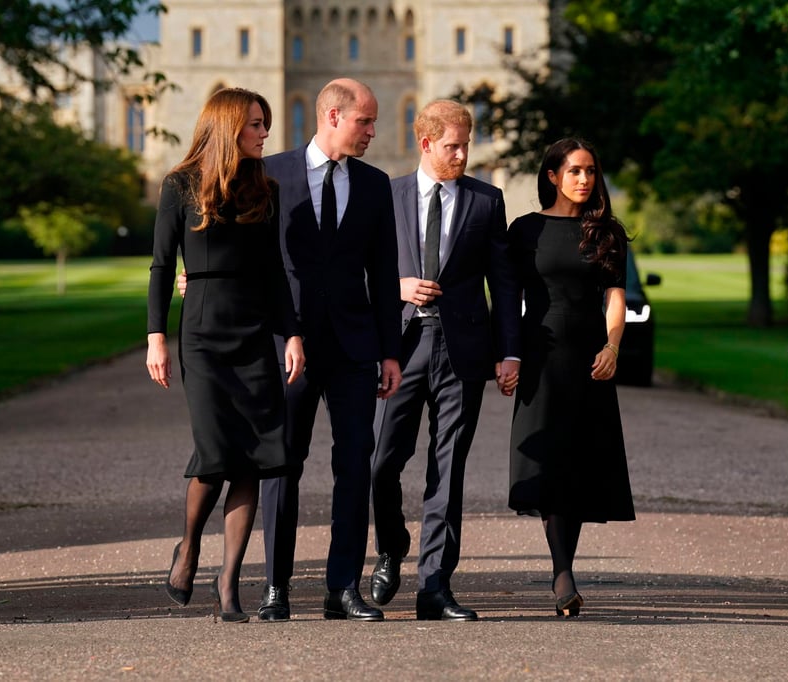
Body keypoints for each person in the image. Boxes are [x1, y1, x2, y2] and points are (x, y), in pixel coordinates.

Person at [179, 78, 402, 621]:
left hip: (354, 347)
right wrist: (198, 277)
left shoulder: (375, 185)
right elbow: (219, 234)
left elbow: (385, 270)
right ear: (331, 115)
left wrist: (390, 352)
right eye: (365, 121)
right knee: (281, 465)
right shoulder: (267, 172)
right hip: (285, 345)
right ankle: (275, 586)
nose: (373, 131)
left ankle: (341, 587)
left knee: (355, 464)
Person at [146, 88, 305, 624]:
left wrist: (293, 335)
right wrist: (155, 337)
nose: (265, 133)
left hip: (254, 332)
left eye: (266, 123)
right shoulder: (180, 185)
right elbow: (162, 267)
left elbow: (276, 272)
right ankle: (188, 545)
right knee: (214, 455)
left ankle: (229, 583)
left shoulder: (267, 188)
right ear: (229, 126)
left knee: (256, 461)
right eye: (257, 124)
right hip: (203, 335)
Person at [367, 100, 521, 621]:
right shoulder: (384, 196)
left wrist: (508, 352)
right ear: (426, 143)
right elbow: (358, 275)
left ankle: (434, 586)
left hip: (464, 355)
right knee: (381, 463)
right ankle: (391, 546)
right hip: (401, 349)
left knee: (448, 469)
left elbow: (502, 281)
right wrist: (398, 287)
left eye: (466, 145)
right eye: (452, 145)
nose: (462, 154)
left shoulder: (486, 200)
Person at [505, 137, 635, 618]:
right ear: (553, 175)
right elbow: (505, 299)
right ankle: (564, 576)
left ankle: (564, 571)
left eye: (591, 172)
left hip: (589, 359)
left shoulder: (606, 233)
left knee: (577, 465)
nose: (585, 179)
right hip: (540, 357)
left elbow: (615, 300)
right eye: (575, 171)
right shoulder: (524, 231)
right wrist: (509, 355)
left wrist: (612, 347)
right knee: (547, 462)